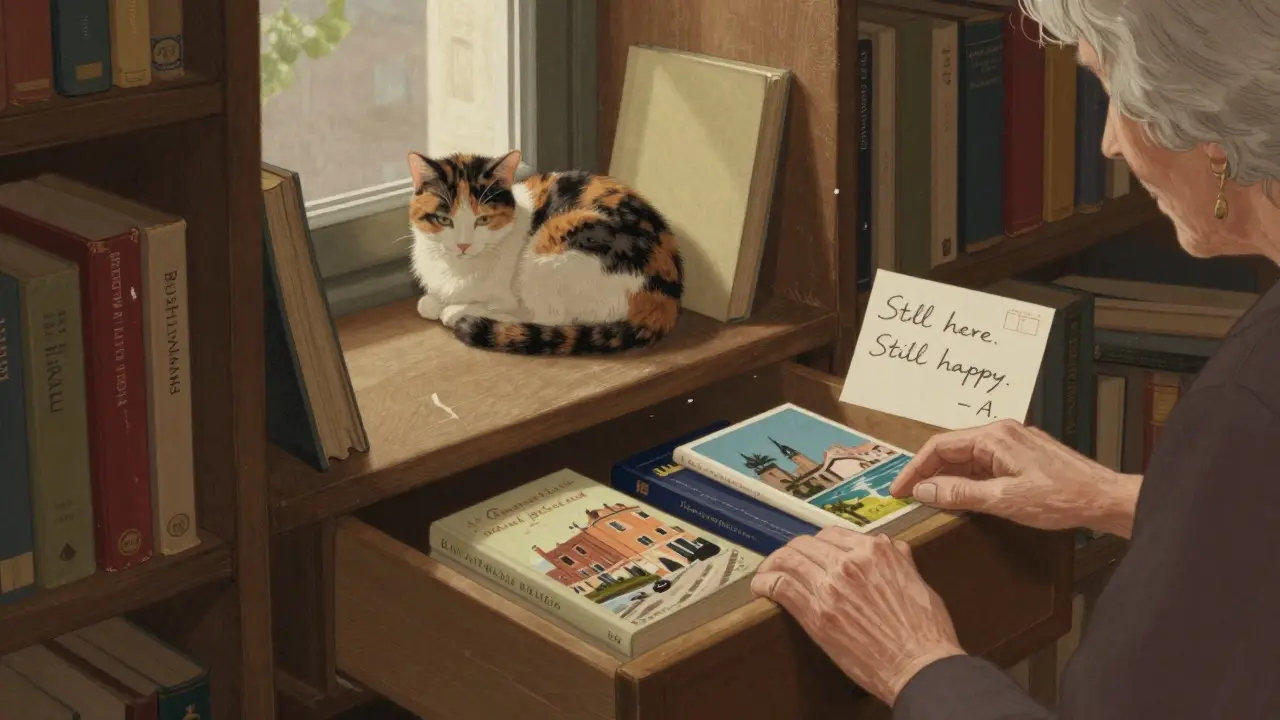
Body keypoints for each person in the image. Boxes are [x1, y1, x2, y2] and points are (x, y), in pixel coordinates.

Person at [750, 0, 1280, 717]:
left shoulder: (1248, 405)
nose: (1108, 144)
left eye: (1116, 97)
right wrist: (1122, 498)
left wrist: (917, 663)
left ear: (1208, 121)